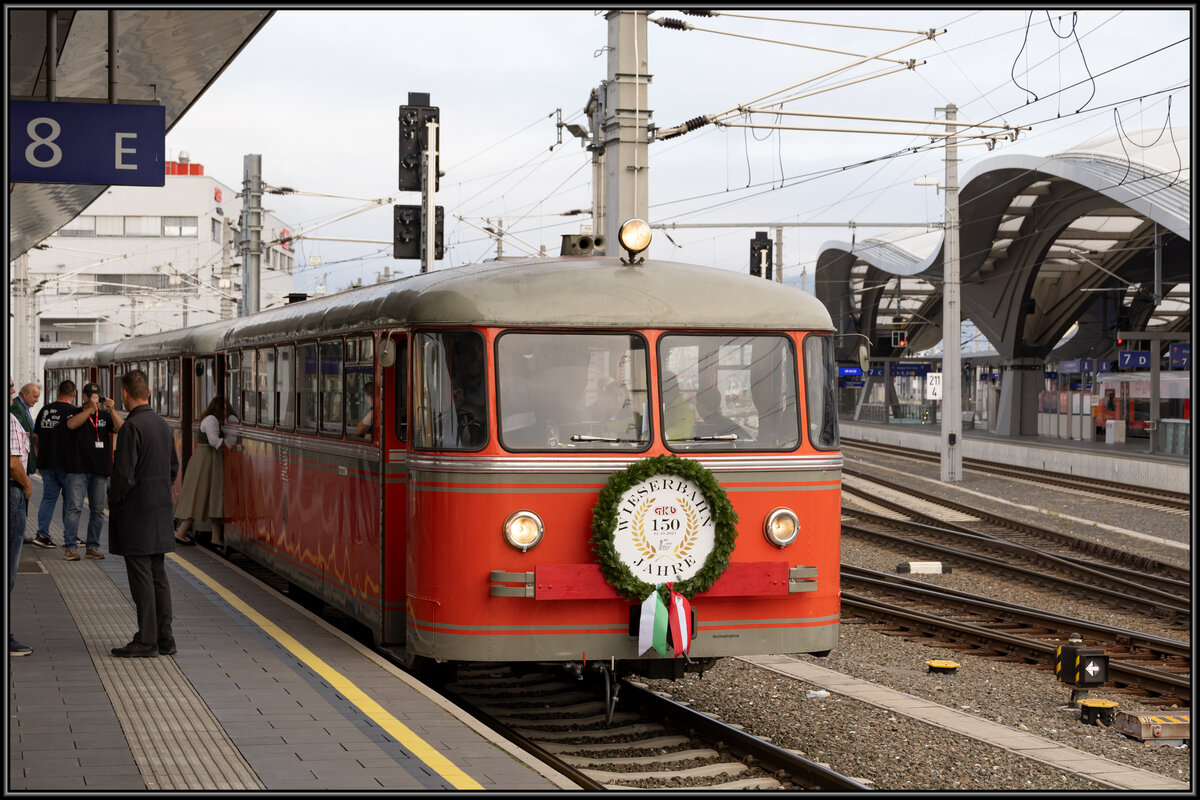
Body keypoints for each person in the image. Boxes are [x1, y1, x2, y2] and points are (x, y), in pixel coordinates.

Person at [108, 370, 180, 658]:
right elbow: (173, 468)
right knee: (158, 575)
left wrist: (114, 500)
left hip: (137, 513)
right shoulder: (163, 425)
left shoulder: (131, 427)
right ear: (148, 392)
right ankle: (165, 638)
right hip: (161, 510)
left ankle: (146, 639)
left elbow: (123, 475)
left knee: (141, 577)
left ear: (125, 394)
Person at [65, 382, 123, 560]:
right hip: (78, 469)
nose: (93, 399)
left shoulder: (105, 415)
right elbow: (71, 425)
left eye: (96, 396)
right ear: (83, 396)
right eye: (90, 395)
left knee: (97, 510)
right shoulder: (75, 412)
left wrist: (112, 410)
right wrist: (90, 409)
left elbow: (121, 429)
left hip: (100, 470)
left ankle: (92, 547)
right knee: (74, 508)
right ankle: (70, 548)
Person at [173, 396, 237, 552]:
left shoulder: (212, 419)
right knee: (199, 496)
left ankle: (215, 538)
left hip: (209, 460)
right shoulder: (211, 420)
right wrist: (230, 443)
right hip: (206, 461)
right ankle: (180, 532)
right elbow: (214, 441)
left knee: (214, 497)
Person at [31, 380, 85, 552]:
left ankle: (42, 535)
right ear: (74, 394)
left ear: (59, 392)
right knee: (69, 501)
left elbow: (35, 436)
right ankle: (70, 536)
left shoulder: (45, 410)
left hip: (46, 463)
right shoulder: (73, 412)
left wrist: (39, 456)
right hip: (67, 465)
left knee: (48, 498)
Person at [9, 378, 34, 656]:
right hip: (12, 493)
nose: (13, 391)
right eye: (9, 386)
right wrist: (27, 486)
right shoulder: (9, 421)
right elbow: (14, 464)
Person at [9, 382, 39, 544]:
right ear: (25, 394)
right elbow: (13, 461)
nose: (36, 400)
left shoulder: (23, 408)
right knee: (14, 535)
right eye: (34, 396)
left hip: (20, 471)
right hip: (15, 479)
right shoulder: (16, 410)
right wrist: (27, 484)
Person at [660, 371, 695, 441]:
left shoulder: (682, 409)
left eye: (661, 392)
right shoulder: (669, 407)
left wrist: (659, 436)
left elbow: (682, 432)